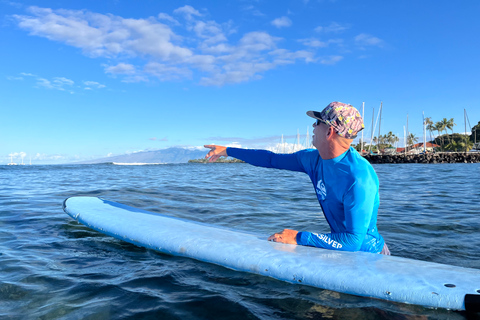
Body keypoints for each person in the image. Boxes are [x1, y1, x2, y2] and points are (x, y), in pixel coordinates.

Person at [205, 101, 390, 255]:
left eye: (317, 122)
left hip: (370, 255)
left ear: (329, 132)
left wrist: (297, 237)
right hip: (340, 248)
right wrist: (227, 151)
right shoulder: (312, 159)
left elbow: (352, 241)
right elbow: (271, 159)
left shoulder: (359, 178)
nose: (313, 126)